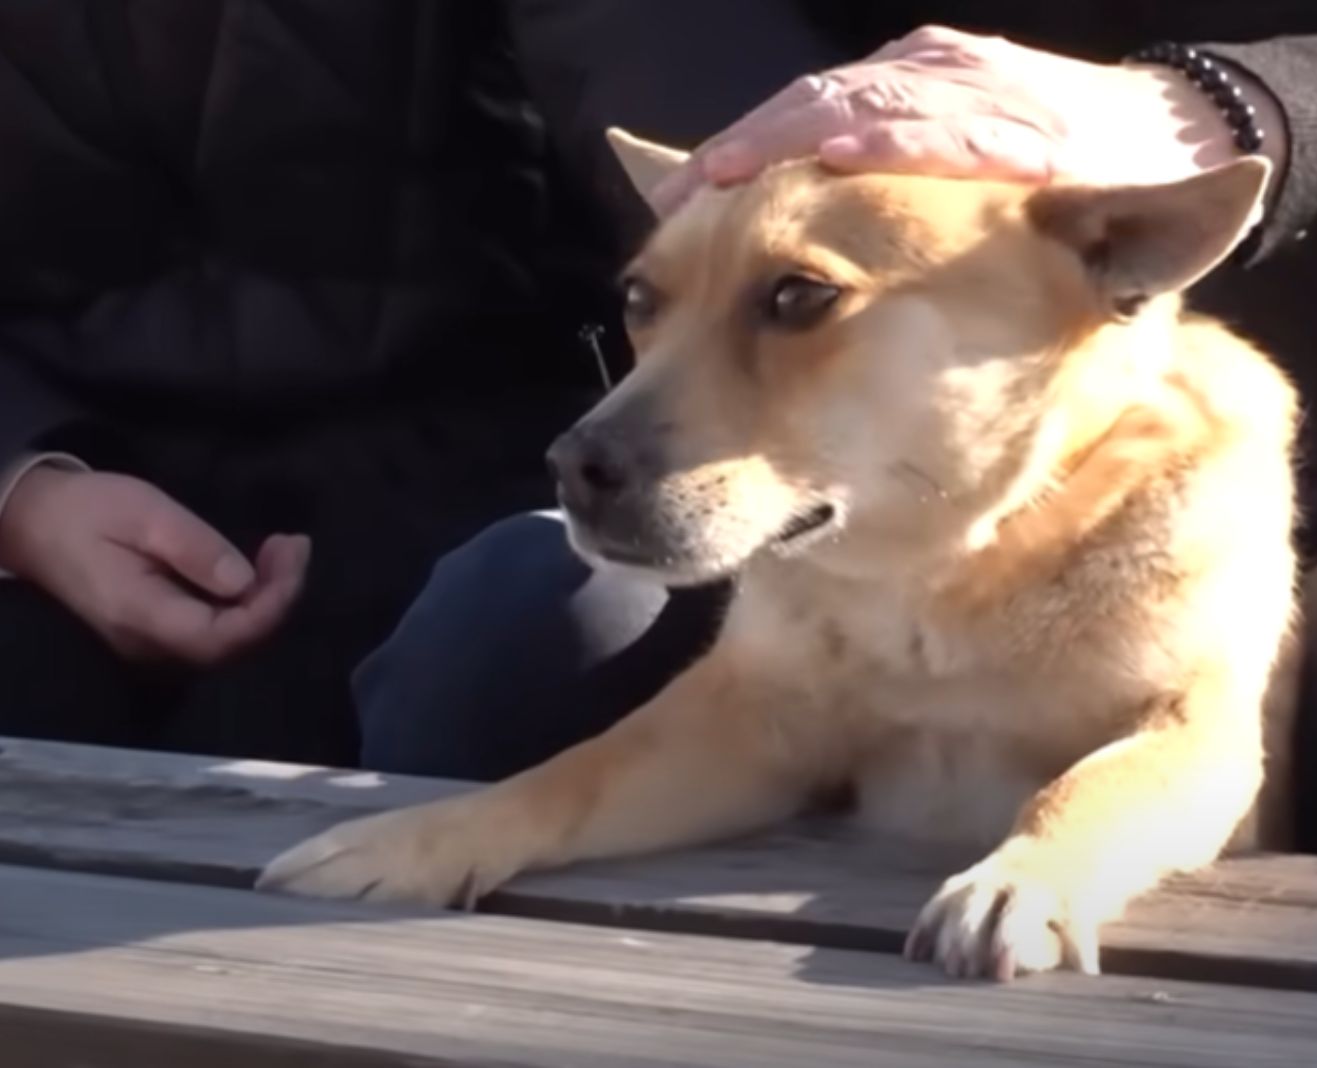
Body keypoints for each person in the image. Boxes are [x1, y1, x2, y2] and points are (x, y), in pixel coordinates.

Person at [356, 1, 1317, 881]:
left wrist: (1204, 111)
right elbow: (671, 80)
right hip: (849, 494)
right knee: (509, 612)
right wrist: (801, 174)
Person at [0, 1, 824, 766]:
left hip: (494, 461)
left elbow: (714, 140)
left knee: (521, 644)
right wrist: (23, 495)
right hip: (75, 488)